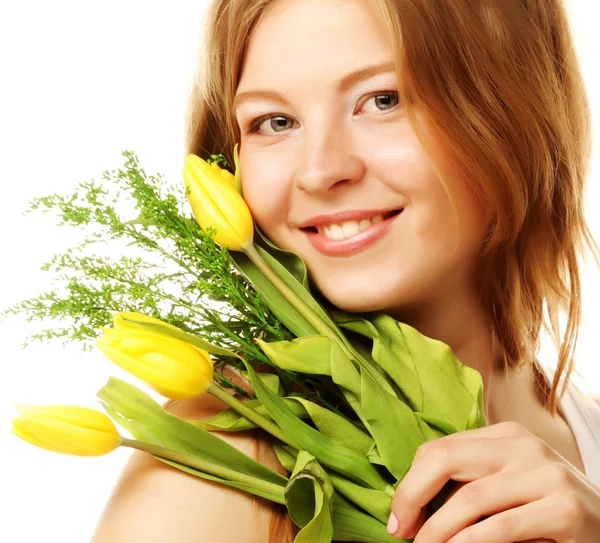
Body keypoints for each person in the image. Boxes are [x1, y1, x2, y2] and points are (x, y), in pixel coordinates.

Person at [90, 0, 600, 541]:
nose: (321, 170)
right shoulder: (212, 475)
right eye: (275, 121)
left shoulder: (587, 436)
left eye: (383, 100)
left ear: (516, 110)